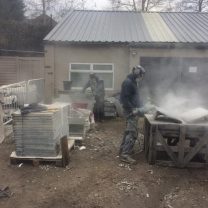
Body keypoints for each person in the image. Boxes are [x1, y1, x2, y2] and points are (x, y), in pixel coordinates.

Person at [119, 65, 146, 164]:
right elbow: (124, 99)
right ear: (137, 73)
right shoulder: (128, 82)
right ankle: (125, 155)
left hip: (133, 109)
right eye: (141, 75)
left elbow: (134, 97)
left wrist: (141, 105)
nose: (141, 77)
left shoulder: (133, 82)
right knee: (132, 133)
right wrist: (132, 110)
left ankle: (123, 149)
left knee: (128, 131)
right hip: (130, 111)